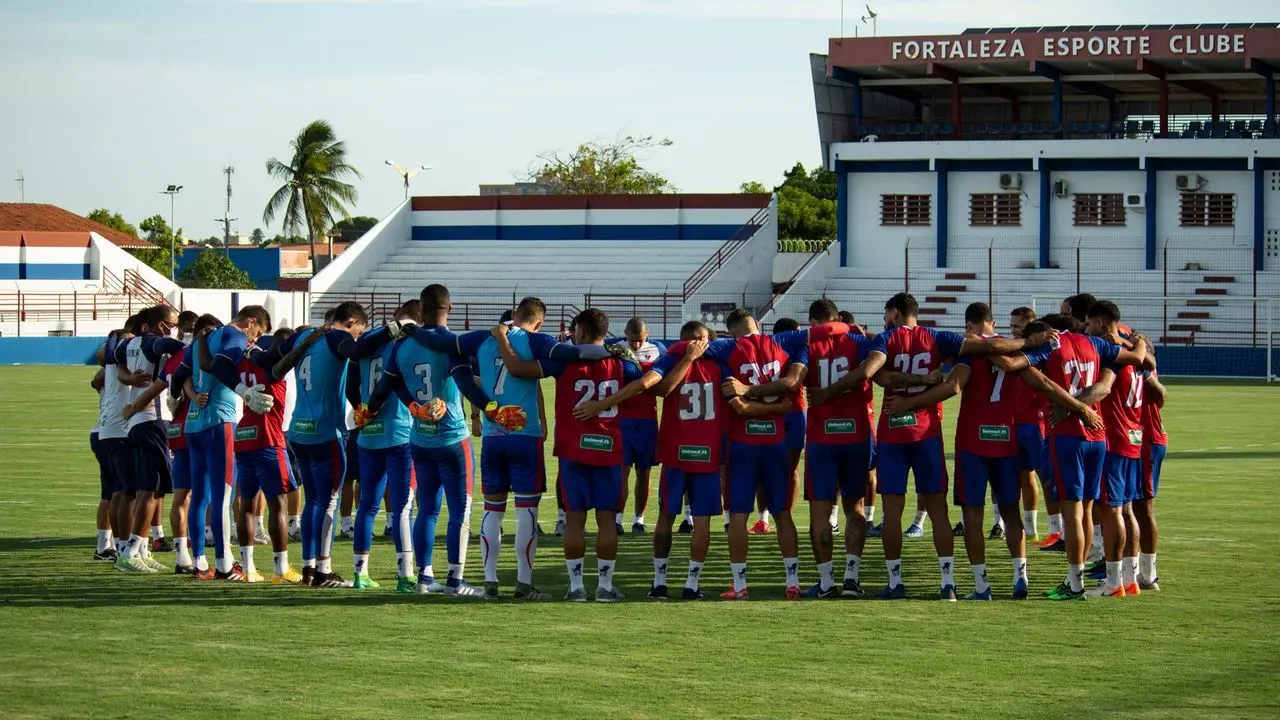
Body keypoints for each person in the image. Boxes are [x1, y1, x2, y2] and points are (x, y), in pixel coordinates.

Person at [416, 296, 633, 600]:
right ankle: (523, 584)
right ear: (540, 320)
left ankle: (490, 582)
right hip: (525, 434)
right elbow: (575, 352)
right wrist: (612, 348)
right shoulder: (538, 340)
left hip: (493, 434)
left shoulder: (483, 337)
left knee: (492, 509)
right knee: (526, 511)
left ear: (514, 314)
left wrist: (407, 330)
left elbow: (449, 355)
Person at [845, 293, 1055, 601]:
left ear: (894, 312)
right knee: (947, 511)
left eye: (886, 313)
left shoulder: (890, 339)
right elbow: (1003, 357)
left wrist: (906, 396)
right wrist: (1032, 344)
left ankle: (899, 583)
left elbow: (887, 376)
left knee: (895, 512)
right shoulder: (940, 337)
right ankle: (952, 584)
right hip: (941, 434)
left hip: (904, 432)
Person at [890, 303, 1100, 600]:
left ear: (971, 326)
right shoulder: (1012, 351)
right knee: (1011, 512)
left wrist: (910, 404)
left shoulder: (971, 352)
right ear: (992, 322)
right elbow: (1042, 383)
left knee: (973, 516)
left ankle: (981, 586)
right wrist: (1078, 407)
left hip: (973, 443)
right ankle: (1020, 577)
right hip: (1007, 439)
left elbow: (953, 387)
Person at [366, 289, 513, 596]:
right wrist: (492, 410)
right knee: (460, 510)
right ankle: (456, 581)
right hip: (451, 437)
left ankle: (424, 577)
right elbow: (464, 385)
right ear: (451, 307)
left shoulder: (402, 344)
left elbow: (384, 387)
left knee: (427, 510)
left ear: (421, 309)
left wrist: (390, 408)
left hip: (419, 438)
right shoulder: (449, 344)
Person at [571, 322, 721, 600]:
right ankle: (692, 584)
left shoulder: (669, 357)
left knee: (665, 515)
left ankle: (660, 582)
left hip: (675, 448)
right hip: (708, 451)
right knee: (701, 522)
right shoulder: (721, 364)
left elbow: (656, 387)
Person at [1004, 313, 1145, 601]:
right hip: (1098, 435)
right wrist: (1140, 342)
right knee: (1089, 511)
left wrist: (1072, 409)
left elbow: (1036, 378)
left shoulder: (1050, 347)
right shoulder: (1093, 343)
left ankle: (1075, 583)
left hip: (1067, 435)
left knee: (1073, 512)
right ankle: (1092, 576)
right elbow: (1131, 362)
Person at [536, 308, 645, 602]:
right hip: (608, 447)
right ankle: (605, 586)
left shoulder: (563, 361)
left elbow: (528, 368)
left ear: (580, 331)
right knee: (607, 520)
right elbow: (645, 381)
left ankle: (576, 588)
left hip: (574, 448)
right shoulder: (620, 360)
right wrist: (609, 401)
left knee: (575, 520)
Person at [276, 301, 377, 587]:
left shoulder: (305, 338)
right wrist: (390, 332)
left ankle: (309, 567)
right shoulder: (337, 336)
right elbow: (356, 351)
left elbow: (272, 359)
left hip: (299, 429)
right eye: (358, 330)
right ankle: (323, 569)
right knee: (327, 502)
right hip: (325, 432)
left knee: (313, 501)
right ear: (352, 322)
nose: (356, 336)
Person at [179, 305, 275, 580]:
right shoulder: (234, 336)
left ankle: (199, 560)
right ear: (251, 322)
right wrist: (243, 391)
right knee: (222, 498)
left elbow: (178, 376)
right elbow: (221, 365)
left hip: (194, 423)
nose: (254, 341)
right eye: (257, 333)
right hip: (221, 420)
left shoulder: (204, 338)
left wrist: (187, 394)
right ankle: (223, 563)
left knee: (199, 496)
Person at [211, 325, 311, 584]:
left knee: (246, 504)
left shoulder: (244, 366)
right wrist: (304, 344)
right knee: (277, 504)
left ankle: (248, 568)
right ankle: (281, 566)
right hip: (269, 439)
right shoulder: (272, 367)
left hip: (244, 437)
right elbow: (286, 360)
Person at [801, 299, 886, 598]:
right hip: (856, 434)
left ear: (814, 322)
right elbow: (870, 370)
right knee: (855, 508)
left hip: (821, 438)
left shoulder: (808, 343)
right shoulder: (859, 341)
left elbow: (793, 381)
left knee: (821, 511)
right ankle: (852, 578)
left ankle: (826, 582)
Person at [1084, 301, 1150, 598]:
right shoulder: (1136, 352)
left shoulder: (1109, 350)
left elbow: (1104, 387)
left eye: (1088, 324)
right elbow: (1145, 359)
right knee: (1126, 511)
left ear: (1099, 322)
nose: (1086, 329)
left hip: (1114, 438)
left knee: (1111, 512)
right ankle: (1132, 578)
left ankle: (1113, 583)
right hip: (1134, 438)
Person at [350, 304, 418, 590]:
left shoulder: (368, 342)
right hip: (398, 431)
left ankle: (360, 573)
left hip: (368, 433)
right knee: (403, 507)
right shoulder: (405, 343)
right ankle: (405, 575)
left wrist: (360, 408)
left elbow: (350, 382)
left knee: (366, 506)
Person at [116, 305, 185, 572]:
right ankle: (131, 552)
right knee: (151, 488)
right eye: (173, 324)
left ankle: (141, 550)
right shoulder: (154, 343)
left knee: (152, 489)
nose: (175, 329)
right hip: (152, 418)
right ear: (161, 325)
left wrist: (129, 378)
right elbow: (176, 347)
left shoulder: (130, 344)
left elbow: (112, 356)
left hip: (137, 422)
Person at [610, 317, 665, 535]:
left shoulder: (659, 349)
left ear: (647, 333)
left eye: (641, 340)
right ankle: (617, 518)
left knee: (644, 473)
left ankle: (639, 519)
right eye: (633, 341)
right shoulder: (615, 347)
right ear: (625, 334)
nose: (637, 345)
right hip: (621, 420)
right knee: (621, 472)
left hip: (647, 421)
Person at [1009, 306, 1046, 543]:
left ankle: (1051, 528)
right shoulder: (1012, 350)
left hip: (1035, 423)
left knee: (1043, 476)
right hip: (1012, 423)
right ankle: (1021, 527)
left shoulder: (1041, 353)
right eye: (1011, 326)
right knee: (1017, 475)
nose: (1014, 330)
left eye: (1018, 326)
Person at [1137, 361, 1167, 591]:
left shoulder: (1140, 368)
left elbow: (1162, 396)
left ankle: (1148, 574)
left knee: (1143, 508)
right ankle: (1135, 571)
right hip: (1141, 440)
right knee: (1131, 507)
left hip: (1144, 441)